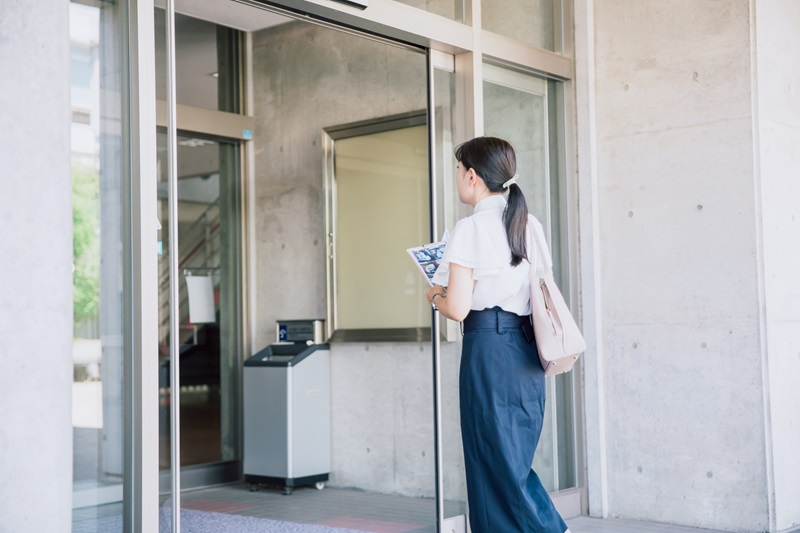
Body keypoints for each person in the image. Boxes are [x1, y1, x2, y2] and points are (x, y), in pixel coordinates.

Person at [425, 137, 570, 533]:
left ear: (472, 176)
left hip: (488, 349)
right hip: (526, 351)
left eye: (458, 170)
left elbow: (456, 306)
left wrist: (433, 293)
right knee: (512, 461)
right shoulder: (529, 222)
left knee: (491, 461)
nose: (457, 177)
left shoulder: (470, 228)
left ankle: (550, 530)